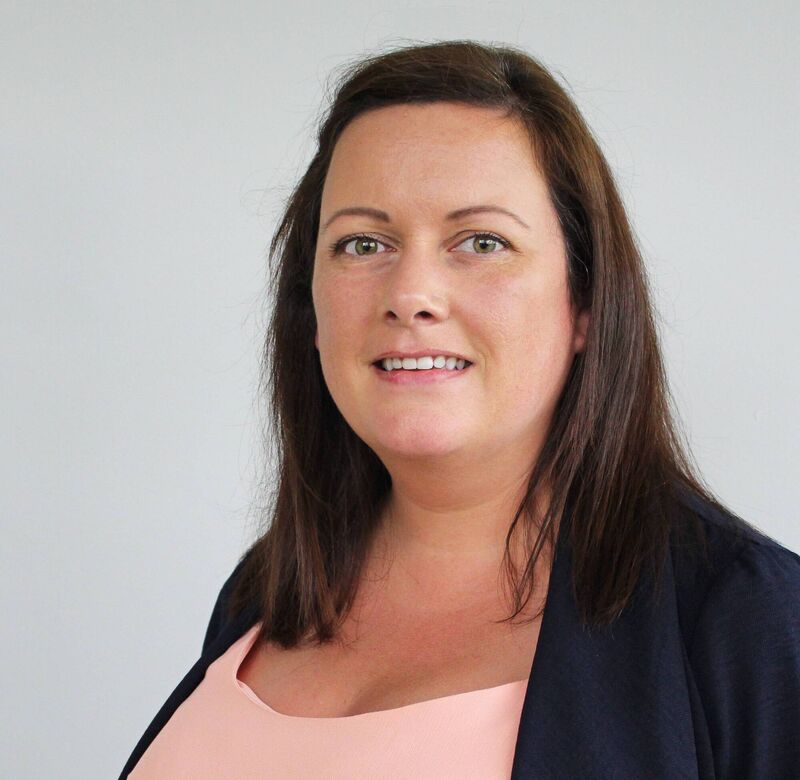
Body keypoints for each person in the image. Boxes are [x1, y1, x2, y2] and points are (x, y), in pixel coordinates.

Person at [119, 40, 800, 779]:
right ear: (308, 306)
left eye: (481, 241)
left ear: (585, 302)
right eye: (362, 243)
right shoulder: (265, 590)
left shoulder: (749, 621)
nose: (411, 293)